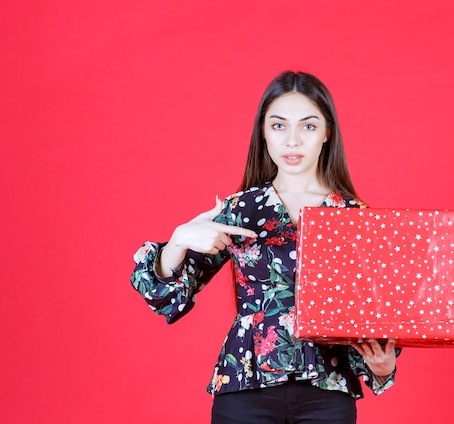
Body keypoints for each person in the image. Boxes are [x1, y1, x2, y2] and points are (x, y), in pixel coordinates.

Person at [130, 71, 399, 423]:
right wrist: (179, 240)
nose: (292, 141)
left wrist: (383, 367)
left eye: (307, 126)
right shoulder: (242, 210)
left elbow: (373, 318)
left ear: (326, 133)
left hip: (327, 394)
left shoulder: (354, 217)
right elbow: (163, 294)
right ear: (263, 132)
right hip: (245, 387)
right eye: (278, 126)